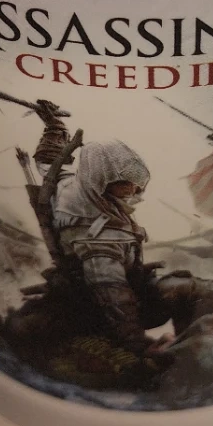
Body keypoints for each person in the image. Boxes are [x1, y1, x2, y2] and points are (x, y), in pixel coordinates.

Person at [53, 140, 162, 354]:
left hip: (130, 291)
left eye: (134, 182)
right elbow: (113, 297)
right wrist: (139, 347)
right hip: (101, 312)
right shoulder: (96, 237)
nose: (132, 189)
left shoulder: (103, 204)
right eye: (123, 182)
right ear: (99, 182)